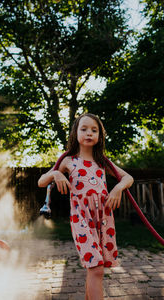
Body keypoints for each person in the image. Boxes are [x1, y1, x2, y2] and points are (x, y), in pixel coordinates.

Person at [38, 113, 134, 300]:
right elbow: (42, 182)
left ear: (100, 136)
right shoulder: (67, 160)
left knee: (95, 270)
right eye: (84, 129)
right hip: (82, 219)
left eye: (94, 130)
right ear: (75, 133)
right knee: (96, 268)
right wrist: (56, 174)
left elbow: (128, 177)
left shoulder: (102, 162)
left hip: (104, 220)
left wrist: (118, 188)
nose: (89, 133)